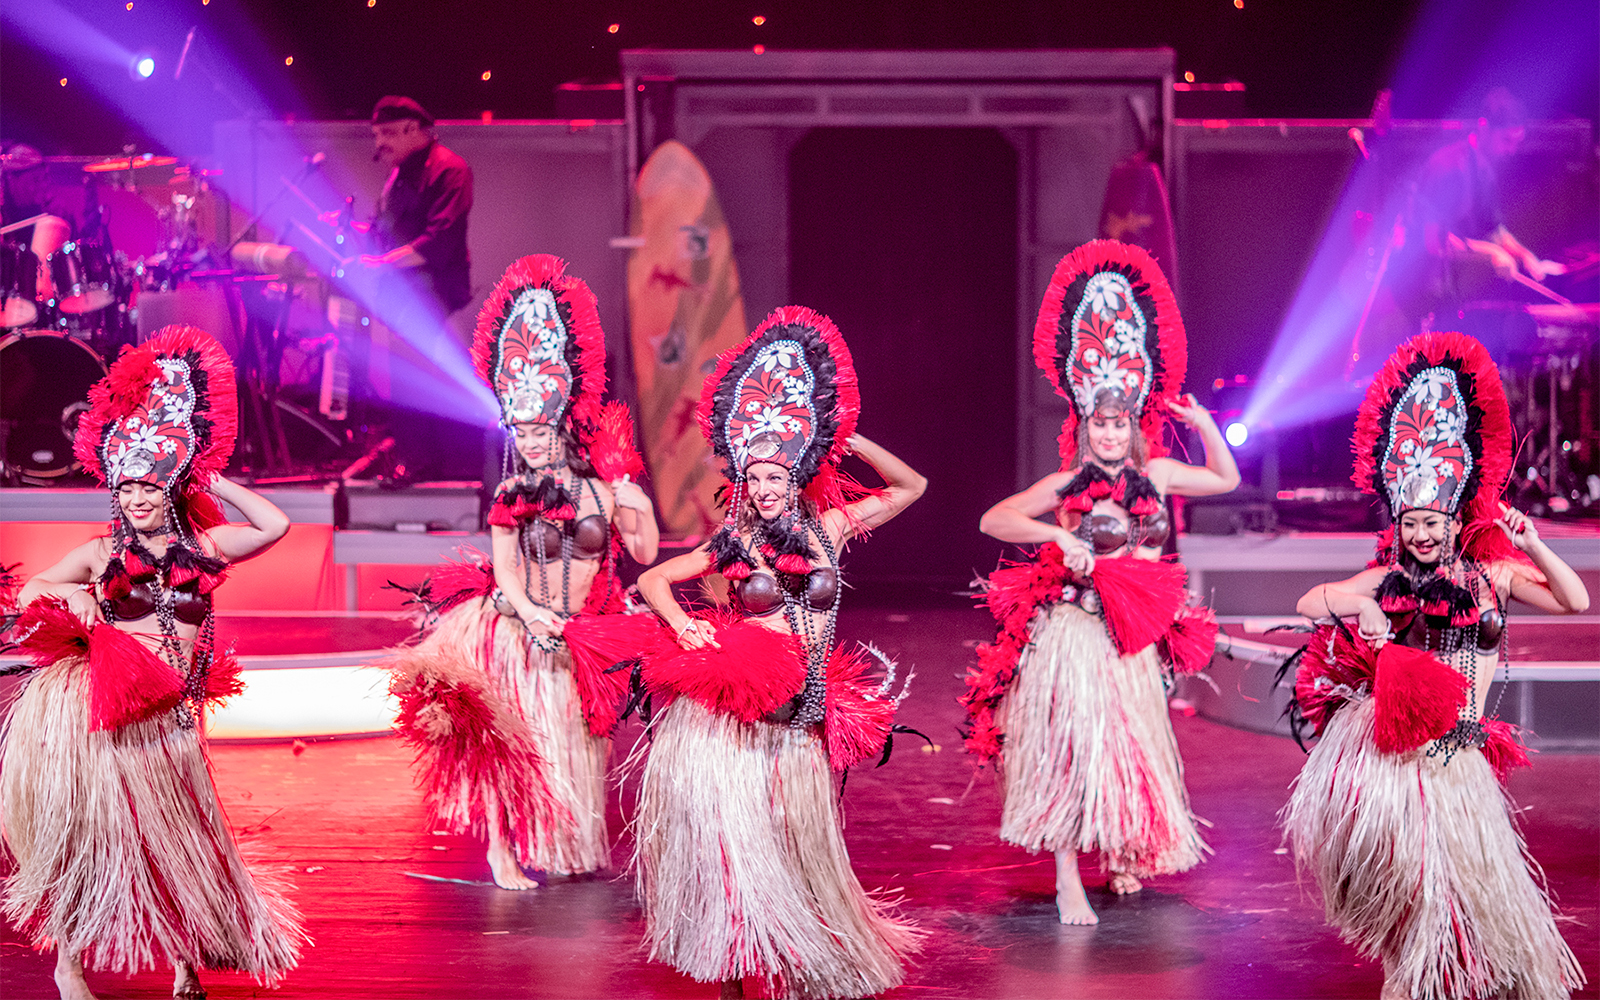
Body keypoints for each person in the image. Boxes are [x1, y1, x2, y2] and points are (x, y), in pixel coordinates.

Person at [1, 326, 306, 999]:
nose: (138, 498)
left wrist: (211, 476)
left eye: (150, 486)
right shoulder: (100, 552)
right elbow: (31, 588)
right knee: (99, 839)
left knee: (179, 841)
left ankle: (184, 966)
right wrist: (77, 597)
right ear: (115, 489)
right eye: (127, 488)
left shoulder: (205, 545)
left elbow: (275, 526)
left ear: (169, 485)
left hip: (171, 713)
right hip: (110, 709)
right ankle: (69, 964)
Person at [1282, 331, 1586, 1000]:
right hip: (1398, 758)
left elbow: (1575, 600)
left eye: (1433, 523)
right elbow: (1309, 600)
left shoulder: (1492, 574)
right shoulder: (1385, 575)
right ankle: (1402, 981)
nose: (1422, 534)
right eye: (1411, 522)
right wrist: (1362, 616)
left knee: (1473, 895)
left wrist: (1537, 541)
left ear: (1453, 520)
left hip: (1461, 756)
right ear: (1399, 523)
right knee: (1412, 883)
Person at [633, 306, 926, 999]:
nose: (764, 489)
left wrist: (849, 440)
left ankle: (798, 964)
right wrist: (681, 624)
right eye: (753, 478)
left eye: (776, 476)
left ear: (796, 474)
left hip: (805, 711)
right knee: (742, 845)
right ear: (741, 480)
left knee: (796, 844)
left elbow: (911, 488)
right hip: (740, 719)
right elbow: (651, 578)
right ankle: (736, 969)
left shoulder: (829, 527)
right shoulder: (729, 545)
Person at [963, 241, 1240, 925]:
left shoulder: (1159, 478)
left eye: (1120, 423)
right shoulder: (1066, 485)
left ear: (1132, 423)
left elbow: (1227, 480)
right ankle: (1065, 878)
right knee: (1072, 747)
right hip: (1076, 629)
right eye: (1100, 423)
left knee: (1130, 742)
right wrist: (1059, 534)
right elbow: (995, 519)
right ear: (1085, 424)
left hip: (1132, 641)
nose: (1111, 433)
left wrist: (1203, 423)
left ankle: (1121, 850)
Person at [386, 254, 658, 889]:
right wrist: (533, 615)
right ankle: (501, 852)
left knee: (573, 744)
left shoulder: (603, 492)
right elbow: (505, 569)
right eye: (522, 429)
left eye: (541, 429)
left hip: (582, 636)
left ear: (561, 424)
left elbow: (643, 557)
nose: (531, 440)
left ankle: (566, 845)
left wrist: (634, 495)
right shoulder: (511, 493)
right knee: (512, 747)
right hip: (519, 631)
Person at [1390, 88, 1565, 347]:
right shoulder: (1449, 167)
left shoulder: (1484, 171)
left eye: (1516, 143)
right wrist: (1492, 253)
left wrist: (1527, 257)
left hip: (1445, 289)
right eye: (1507, 141)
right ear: (1484, 127)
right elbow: (1435, 243)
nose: (1512, 151)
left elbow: (1495, 230)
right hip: (1414, 293)